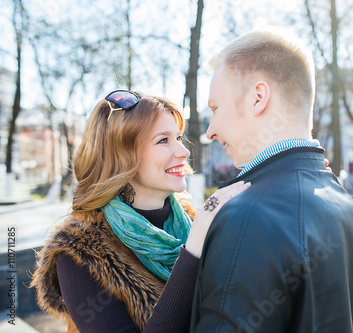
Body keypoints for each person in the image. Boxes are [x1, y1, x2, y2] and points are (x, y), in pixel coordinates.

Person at [188, 30, 353, 332]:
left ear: (258, 98)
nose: (210, 130)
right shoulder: (347, 208)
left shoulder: (246, 218)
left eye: (215, 108)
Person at [30, 90, 250, 333]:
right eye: (163, 140)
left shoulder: (199, 221)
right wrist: (192, 252)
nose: (184, 151)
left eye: (178, 137)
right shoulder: (80, 252)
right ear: (122, 157)